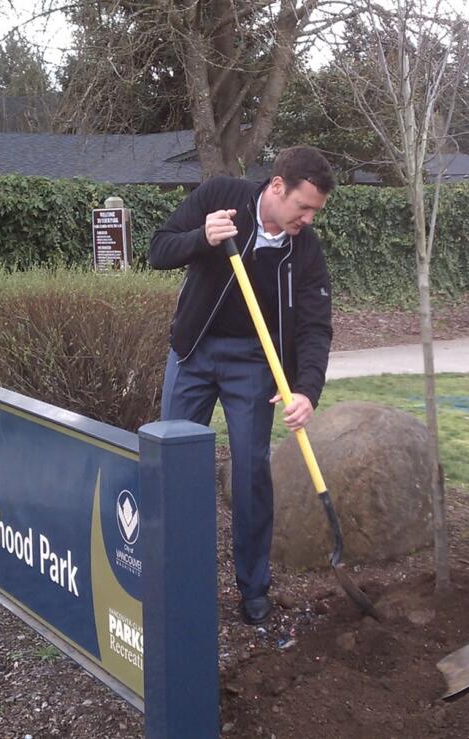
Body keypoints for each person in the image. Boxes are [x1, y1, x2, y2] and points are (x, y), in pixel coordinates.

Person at [148, 146, 336, 625]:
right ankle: (170, 578)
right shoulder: (221, 197)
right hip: (193, 352)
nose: (309, 219)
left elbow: (316, 327)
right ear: (277, 187)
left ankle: (253, 589)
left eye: (315, 211)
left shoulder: (304, 251)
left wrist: (306, 390)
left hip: (255, 364)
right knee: (172, 464)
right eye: (304, 207)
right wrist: (202, 237)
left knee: (251, 473)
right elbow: (158, 248)